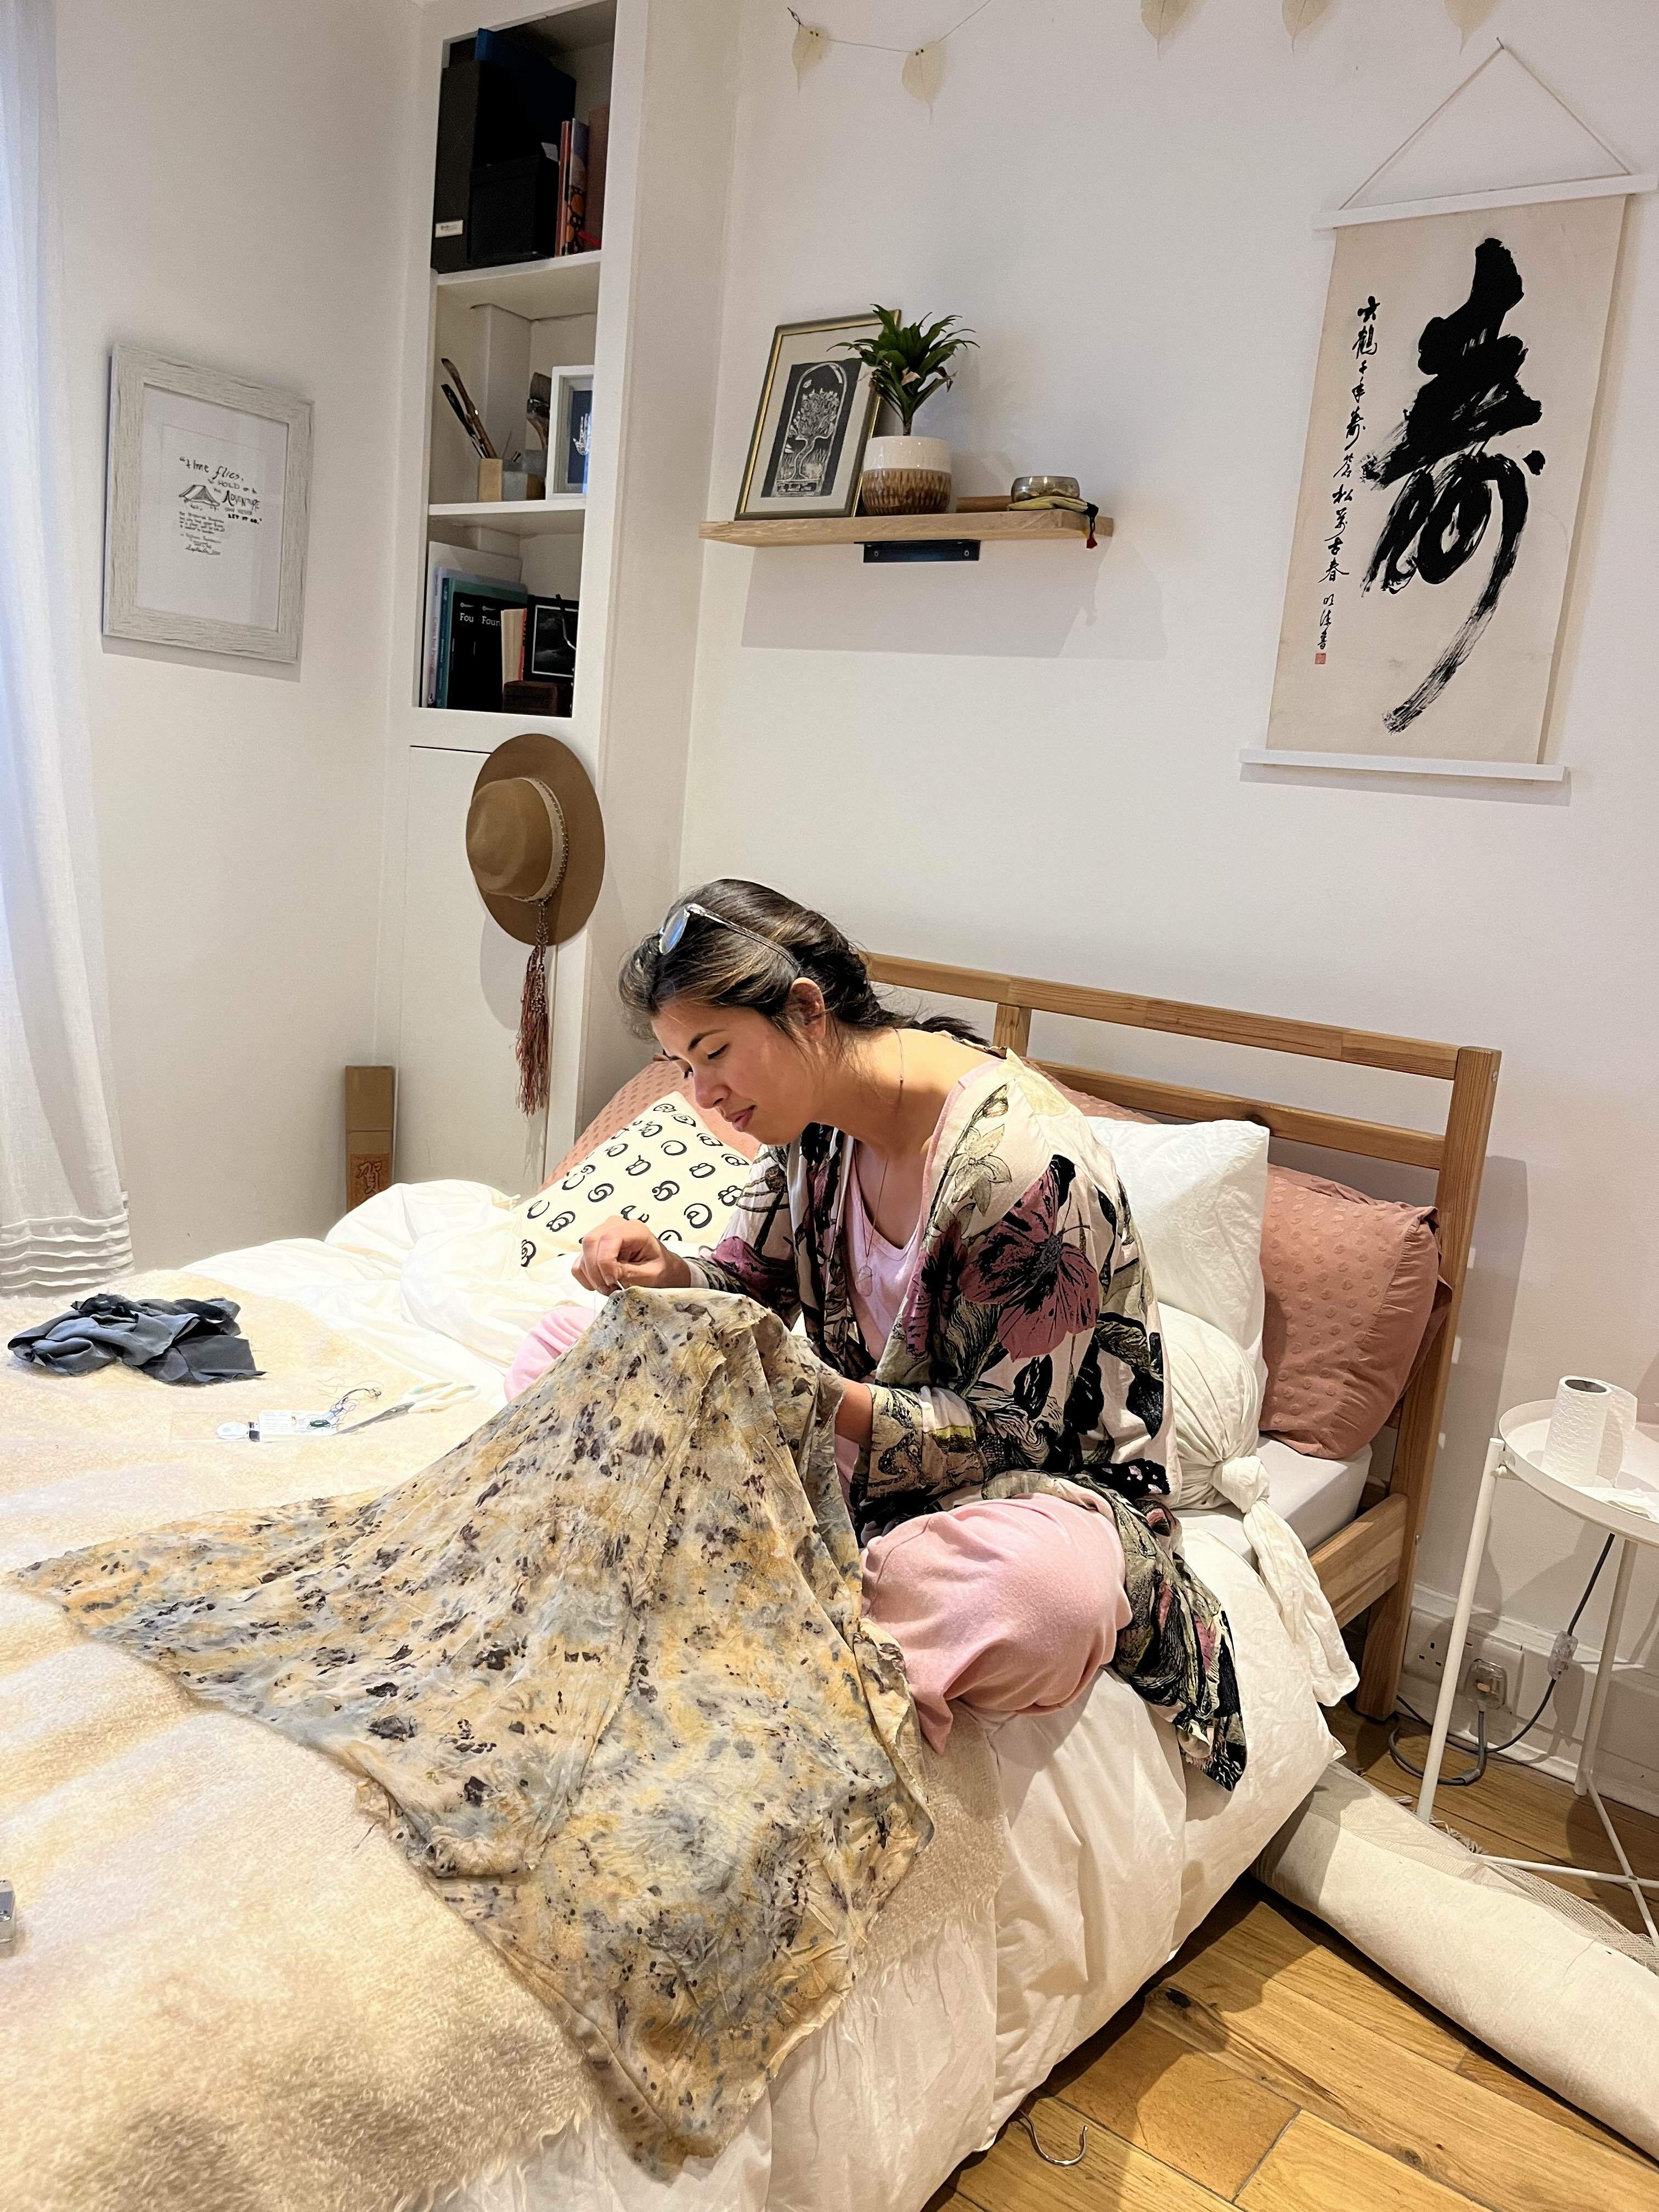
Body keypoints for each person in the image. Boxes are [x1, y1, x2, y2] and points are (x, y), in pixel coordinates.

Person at [558, 879, 1245, 1785]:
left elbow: (1004, 1433)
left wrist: (807, 1391)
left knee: (1042, 1600)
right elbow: (750, 1288)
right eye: (683, 1064)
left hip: (1028, 1491)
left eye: (714, 1052)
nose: (703, 1094)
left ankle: (769, 1596)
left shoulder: (1025, 1165)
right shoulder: (812, 1129)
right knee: (576, 1343)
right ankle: (779, 1586)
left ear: (806, 1011)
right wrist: (672, 1274)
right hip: (864, 1464)